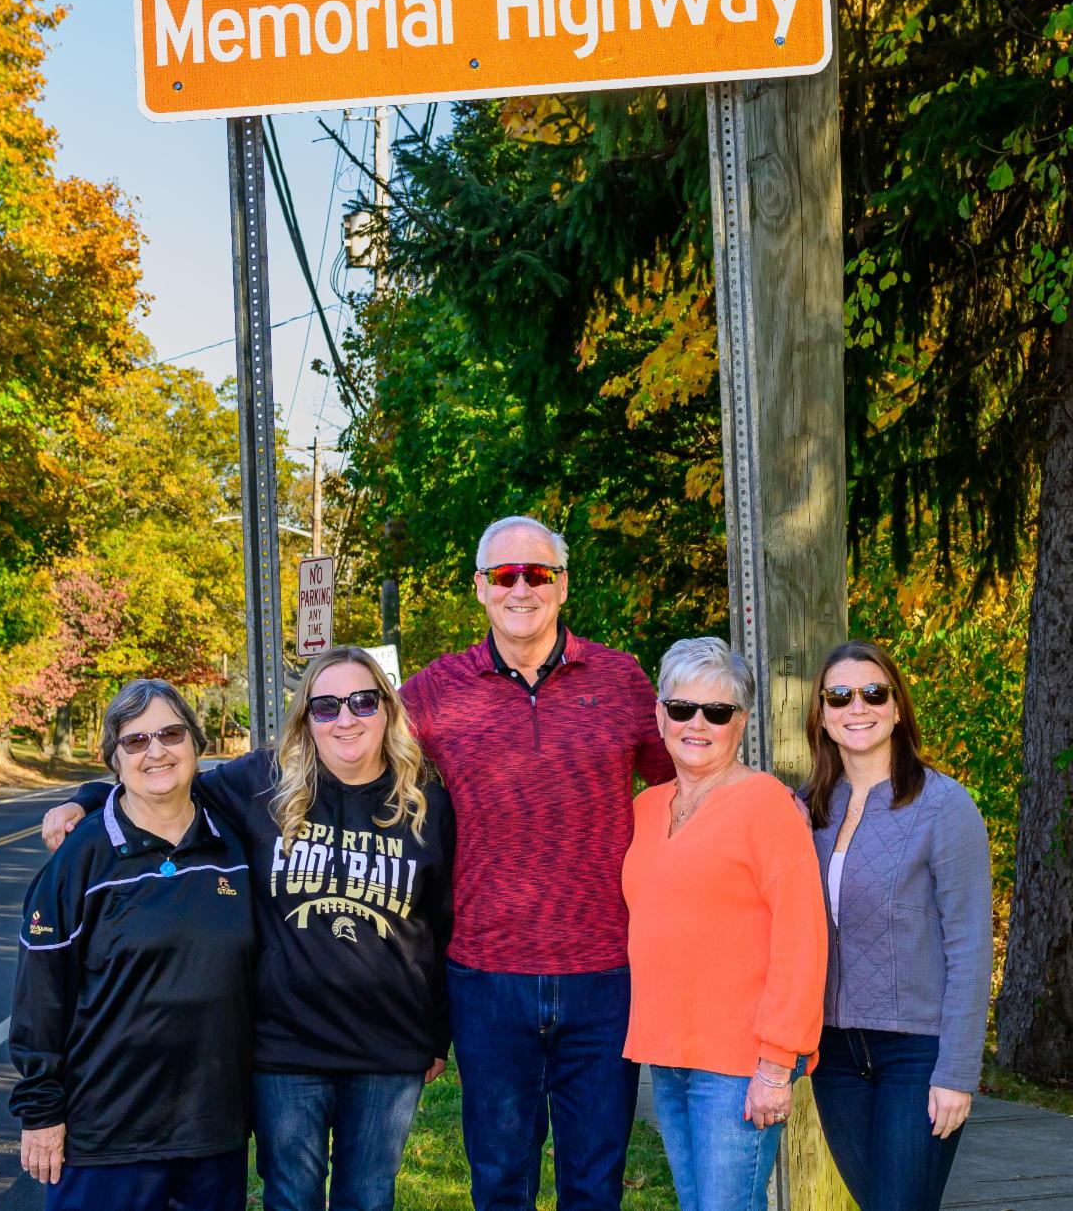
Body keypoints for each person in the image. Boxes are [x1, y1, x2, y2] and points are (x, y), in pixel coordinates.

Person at [41, 646, 454, 1211]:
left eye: (362, 700)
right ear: (306, 719)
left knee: (369, 1198)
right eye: (326, 705)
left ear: (388, 708)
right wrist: (86, 798)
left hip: (388, 1047)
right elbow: (165, 778)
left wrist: (436, 1033)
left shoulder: (426, 800)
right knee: (291, 1198)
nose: (346, 717)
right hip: (285, 1048)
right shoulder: (264, 782)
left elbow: (441, 921)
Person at [400, 514, 673, 1211]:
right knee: (500, 1183)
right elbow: (336, 754)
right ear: (480, 589)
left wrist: (780, 806)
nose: (522, 587)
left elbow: (690, 778)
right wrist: (101, 794)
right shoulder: (435, 692)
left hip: (605, 974)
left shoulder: (620, 681)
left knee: (594, 1182)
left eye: (539, 573)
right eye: (505, 575)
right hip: (487, 978)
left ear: (563, 585)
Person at [9, 679, 256, 1210]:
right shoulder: (82, 857)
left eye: (170, 733)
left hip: (213, 1133)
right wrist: (41, 1113)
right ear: (114, 760)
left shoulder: (236, 841)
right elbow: (40, 997)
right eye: (135, 741)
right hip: (105, 1137)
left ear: (196, 743)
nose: (157, 750)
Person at [621, 636, 828, 1211]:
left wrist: (774, 1065)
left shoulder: (767, 805)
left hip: (740, 1065)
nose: (697, 724)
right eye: (683, 709)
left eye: (717, 712)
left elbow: (802, 939)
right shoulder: (646, 806)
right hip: (669, 1055)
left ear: (741, 722)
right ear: (660, 715)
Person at [801, 639, 992, 1211]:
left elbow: (969, 949)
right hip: (833, 1054)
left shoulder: (944, 806)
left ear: (898, 706)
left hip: (916, 1054)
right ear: (823, 715)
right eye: (839, 695)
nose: (856, 707)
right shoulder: (804, 809)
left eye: (873, 693)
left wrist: (957, 1072)